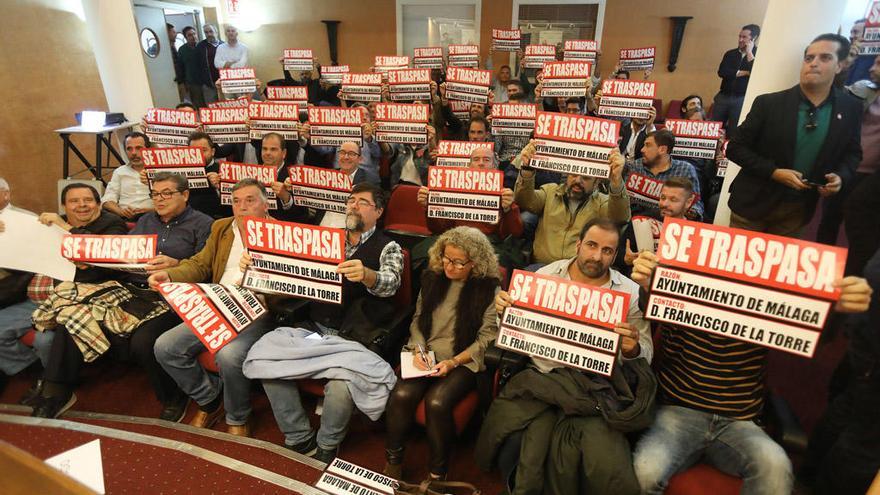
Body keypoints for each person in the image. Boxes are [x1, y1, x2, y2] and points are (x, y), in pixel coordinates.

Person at [631, 243, 872, 495]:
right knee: (646, 473)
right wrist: (649, 284)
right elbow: (652, 305)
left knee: (776, 469)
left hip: (739, 421)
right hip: (679, 413)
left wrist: (834, 306)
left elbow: (810, 329)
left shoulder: (762, 310)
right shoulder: (682, 298)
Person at [481, 219, 655, 494]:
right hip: (543, 378)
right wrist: (505, 313)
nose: (597, 256)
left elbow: (646, 352)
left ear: (615, 254)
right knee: (517, 445)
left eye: (608, 251)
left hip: (596, 386)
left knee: (604, 462)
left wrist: (631, 348)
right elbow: (514, 335)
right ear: (578, 244)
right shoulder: (545, 276)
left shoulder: (629, 293)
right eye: (592, 245)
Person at [243, 182, 404, 463]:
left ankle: (327, 445)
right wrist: (258, 263)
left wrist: (368, 274)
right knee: (265, 362)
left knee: (342, 387)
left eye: (362, 202)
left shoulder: (388, 246)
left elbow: (391, 283)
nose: (353, 205)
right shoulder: (326, 239)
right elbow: (291, 269)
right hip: (315, 329)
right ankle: (298, 437)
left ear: (378, 211)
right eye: (350, 200)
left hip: (355, 336)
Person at [31, 173, 213, 420]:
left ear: (185, 195)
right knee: (73, 315)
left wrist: (177, 264)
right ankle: (57, 391)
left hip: (173, 294)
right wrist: (89, 260)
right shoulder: (147, 220)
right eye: (155, 194)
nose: (160, 199)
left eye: (167, 193)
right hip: (130, 289)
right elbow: (120, 254)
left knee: (143, 340)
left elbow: (208, 268)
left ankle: (172, 397)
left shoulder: (204, 224)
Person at [151, 178, 279, 437]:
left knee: (229, 356)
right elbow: (200, 264)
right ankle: (209, 398)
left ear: (266, 204)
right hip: (217, 304)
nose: (241, 206)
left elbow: (289, 285)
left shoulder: (281, 234)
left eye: (250, 200)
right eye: (236, 201)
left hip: (257, 310)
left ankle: (237, 415)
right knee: (165, 347)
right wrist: (171, 275)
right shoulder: (222, 227)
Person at [384, 227, 500, 480]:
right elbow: (417, 320)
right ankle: (393, 460)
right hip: (427, 352)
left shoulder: (489, 289)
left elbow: (486, 340)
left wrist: (454, 361)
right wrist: (418, 348)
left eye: (459, 262)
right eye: (447, 258)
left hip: (463, 359)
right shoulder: (432, 278)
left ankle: (438, 474)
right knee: (402, 393)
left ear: (476, 263)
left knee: (437, 402)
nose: (450, 266)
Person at [727, 34, 862, 237]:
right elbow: (735, 148)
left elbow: (853, 153)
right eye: (809, 58)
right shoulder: (769, 104)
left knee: (778, 269)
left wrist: (841, 177)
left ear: (840, 65)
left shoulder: (851, 108)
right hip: (752, 205)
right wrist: (774, 172)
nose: (813, 64)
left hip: (797, 211)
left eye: (824, 58)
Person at [800, 246, 880, 494]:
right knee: (863, 443)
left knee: (849, 410)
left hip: (866, 334)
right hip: (871, 340)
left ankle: (807, 477)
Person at [515, 141, 630, 267]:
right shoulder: (550, 192)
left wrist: (616, 181)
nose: (578, 180)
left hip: (579, 272)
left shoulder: (602, 202)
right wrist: (527, 169)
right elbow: (524, 201)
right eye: (574, 174)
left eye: (585, 177)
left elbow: (620, 217)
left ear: (596, 182)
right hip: (543, 267)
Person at [0, 178, 54, 394]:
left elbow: (32, 260)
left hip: (18, 284)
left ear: (6, 195)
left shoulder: (26, 220)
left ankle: (34, 368)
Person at [417, 146, 523, 240]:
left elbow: (515, 233)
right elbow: (438, 229)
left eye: (486, 160)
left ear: (494, 166)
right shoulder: (453, 190)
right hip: (455, 240)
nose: (481, 163)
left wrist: (508, 210)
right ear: (469, 165)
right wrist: (429, 207)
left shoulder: (504, 194)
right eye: (476, 159)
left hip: (488, 244)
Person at [843, 55, 880, 275]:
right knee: (831, 219)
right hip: (847, 167)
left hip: (871, 175)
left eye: (879, 64)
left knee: (859, 218)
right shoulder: (863, 90)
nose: (872, 68)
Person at [624, 129, 704, 220]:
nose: (642, 150)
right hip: (637, 220)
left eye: (648, 145)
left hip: (671, 222)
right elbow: (624, 200)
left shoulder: (685, 169)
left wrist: (692, 211)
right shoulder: (636, 166)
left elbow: (696, 203)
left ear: (662, 149)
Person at [714, 24, 759, 130]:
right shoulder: (730, 54)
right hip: (723, 96)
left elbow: (755, 73)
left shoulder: (759, 54)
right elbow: (722, 72)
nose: (740, 40)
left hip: (741, 98)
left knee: (735, 129)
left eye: (744, 37)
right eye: (739, 36)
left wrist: (749, 52)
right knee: (715, 128)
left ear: (753, 38)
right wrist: (742, 72)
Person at [102, 132, 154, 220]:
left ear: (148, 150)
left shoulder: (160, 171)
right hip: (123, 218)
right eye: (129, 149)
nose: (133, 153)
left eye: (138, 148)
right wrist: (120, 211)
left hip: (153, 217)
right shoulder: (120, 172)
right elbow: (107, 200)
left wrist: (151, 211)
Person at [177, 26, 205, 108]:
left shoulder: (203, 46)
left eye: (194, 34)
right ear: (186, 37)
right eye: (190, 35)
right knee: (198, 105)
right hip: (193, 83)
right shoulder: (182, 50)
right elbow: (180, 67)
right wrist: (182, 83)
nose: (193, 36)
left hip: (206, 82)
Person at [196, 24, 223, 105]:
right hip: (209, 84)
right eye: (206, 32)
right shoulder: (201, 46)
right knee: (212, 108)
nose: (209, 34)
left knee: (226, 106)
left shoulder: (224, 45)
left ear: (216, 32)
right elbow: (197, 65)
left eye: (211, 31)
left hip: (224, 83)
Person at [168, 23, 187, 102]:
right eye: (173, 32)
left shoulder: (174, 47)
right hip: (170, 83)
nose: (176, 34)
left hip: (180, 82)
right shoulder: (163, 49)